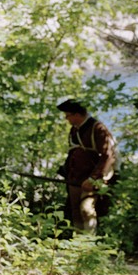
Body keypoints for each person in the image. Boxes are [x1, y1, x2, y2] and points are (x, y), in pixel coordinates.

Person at [57, 98, 117, 233]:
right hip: (74, 178)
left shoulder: (98, 129)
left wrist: (93, 179)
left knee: (86, 209)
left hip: (91, 179)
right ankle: (78, 245)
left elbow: (108, 156)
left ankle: (89, 245)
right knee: (75, 212)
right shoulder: (74, 130)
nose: (67, 119)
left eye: (68, 115)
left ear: (77, 115)